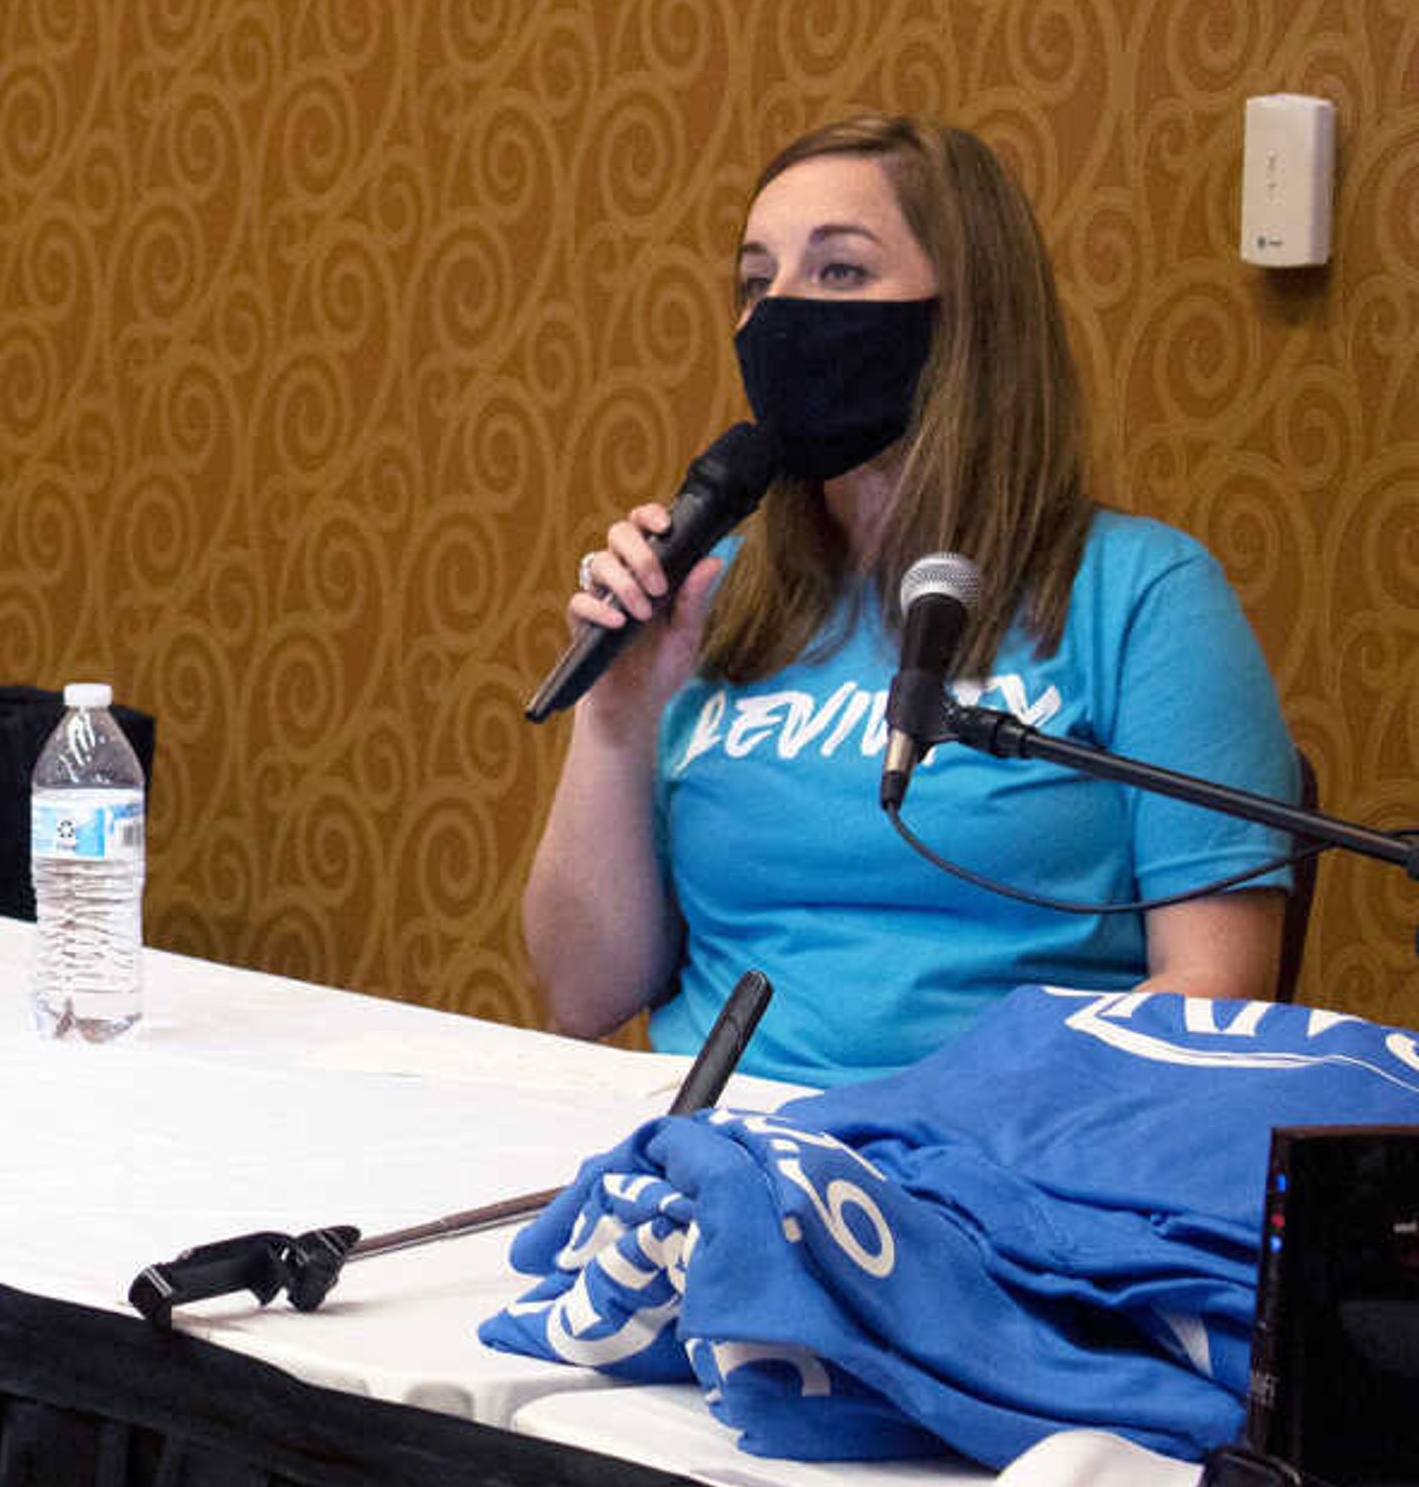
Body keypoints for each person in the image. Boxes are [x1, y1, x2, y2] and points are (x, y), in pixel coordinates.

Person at [520, 113, 1294, 1091]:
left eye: (839, 272)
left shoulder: (1142, 594)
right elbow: (582, 992)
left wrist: (932, 1131)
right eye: (757, 281)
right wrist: (619, 710)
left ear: (968, 313)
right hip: (720, 1158)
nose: (780, 313)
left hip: (1001, 1164)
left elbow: (1213, 988)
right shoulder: (716, 593)